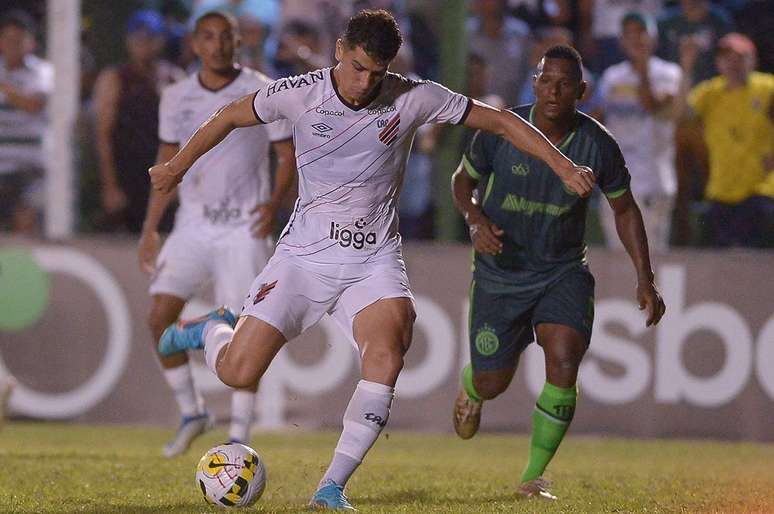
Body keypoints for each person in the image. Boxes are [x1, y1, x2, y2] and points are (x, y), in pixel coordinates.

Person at [149, 9, 594, 510]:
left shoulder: (412, 95)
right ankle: (211, 329)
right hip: (303, 259)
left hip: (373, 260)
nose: (365, 82)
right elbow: (231, 114)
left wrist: (561, 163)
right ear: (340, 50)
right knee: (236, 372)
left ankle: (331, 488)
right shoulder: (301, 93)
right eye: (358, 67)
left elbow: (500, 121)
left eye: (377, 73)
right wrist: (176, 167)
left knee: (389, 352)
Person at [450, 45, 666, 501]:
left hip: (561, 270)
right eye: (546, 81)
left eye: (565, 83)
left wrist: (645, 277)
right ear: (534, 83)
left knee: (565, 358)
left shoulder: (598, 144)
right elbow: (462, 182)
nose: (554, 91)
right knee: (494, 381)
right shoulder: (501, 129)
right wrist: (474, 220)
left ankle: (533, 476)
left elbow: (625, 209)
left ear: (581, 91)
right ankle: (473, 386)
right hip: (500, 270)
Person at [138, 11, 295, 457]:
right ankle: (193, 412)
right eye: (209, 37)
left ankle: (239, 437)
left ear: (237, 43)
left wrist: (274, 203)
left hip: (243, 226)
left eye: (226, 37)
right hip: (193, 223)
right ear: (194, 44)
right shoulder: (175, 97)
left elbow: (287, 156)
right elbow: (167, 166)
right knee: (158, 318)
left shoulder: (262, 89)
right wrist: (151, 227)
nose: (219, 45)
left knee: (246, 331)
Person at [675, 32, 774, 247]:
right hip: (720, 192)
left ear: (753, 60)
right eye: (726, 57)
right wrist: (686, 67)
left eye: (740, 57)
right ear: (718, 62)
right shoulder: (710, 92)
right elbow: (681, 116)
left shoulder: (766, 88)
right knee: (718, 267)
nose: (732, 63)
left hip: (760, 191)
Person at [596, 12, 682, 251]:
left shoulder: (669, 73)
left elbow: (652, 105)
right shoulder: (612, 76)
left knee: (650, 261)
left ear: (653, 38)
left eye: (641, 32)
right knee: (616, 258)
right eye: (629, 34)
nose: (635, 39)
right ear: (621, 40)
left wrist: (643, 68)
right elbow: (598, 119)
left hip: (653, 179)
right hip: (616, 180)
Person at [93, 9, 183, 233]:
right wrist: (110, 186)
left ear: (160, 41)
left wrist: (181, 183)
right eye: (138, 38)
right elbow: (103, 135)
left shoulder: (173, 78)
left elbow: (190, 134)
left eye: (150, 38)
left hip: (163, 175)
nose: (144, 44)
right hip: (127, 175)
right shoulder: (114, 79)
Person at [0, 9, 52, 233]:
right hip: (2, 164)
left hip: (31, 169)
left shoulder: (43, 72)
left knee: (26, 226)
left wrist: (4, 86)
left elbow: (34, 105)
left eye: (19, 40)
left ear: (31, 43)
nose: (13, 45)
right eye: (8, 40)